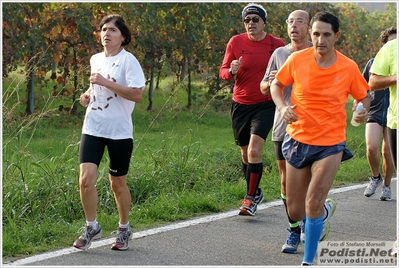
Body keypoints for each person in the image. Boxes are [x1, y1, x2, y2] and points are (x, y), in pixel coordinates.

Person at [270, 11, 370, 265]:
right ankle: (324, 212)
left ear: (336, 36)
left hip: (330, 143)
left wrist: (360, 111)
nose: (320, 40)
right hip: (297, 138)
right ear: (310, 34)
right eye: (316, 34)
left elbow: (364, 96)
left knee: (313, 201)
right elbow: (276, 85)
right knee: (295, 210)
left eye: (326, 34)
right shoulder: (297, 59)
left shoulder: (348, 66)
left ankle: (309, 260)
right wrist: (282, 108)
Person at [73, 14, 146, 251]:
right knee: (85, 180)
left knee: (117, 184)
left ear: (123, 37)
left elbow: (136, 95)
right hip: (93, 127)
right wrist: (87, 95)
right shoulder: (96, 59)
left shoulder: (129, 61)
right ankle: (91, 226)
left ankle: (124, 227)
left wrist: (105, 82)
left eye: (113, 30)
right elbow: (96, 87)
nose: (106, 33)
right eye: (104, 29)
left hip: (119, 132)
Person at [219, 3, 285, 216]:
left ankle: (249, 198)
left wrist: (280, 78)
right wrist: (231, 70)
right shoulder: (235, 42)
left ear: (264, 22)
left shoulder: (277, 44)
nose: (251, 24)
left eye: (255, 20)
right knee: (246, 154)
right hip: (240, 104)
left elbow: (290, 70)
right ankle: (255, 191)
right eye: (247, 20)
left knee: (255, 149)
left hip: (265, 103)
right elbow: (223, 72)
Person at [260, 9, 313, 254]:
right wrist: (270, 82)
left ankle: (312, 218)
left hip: (313, 126)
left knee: (310, 182)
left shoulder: (318, 52)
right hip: (284, 124)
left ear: (309, 26)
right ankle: (294, 229)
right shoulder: (279, 53)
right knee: (286, 181)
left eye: (300, 21)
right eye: (291, 21)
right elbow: (263, 87)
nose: (294, 26)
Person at [362, 26, 396, 201]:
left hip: (392, 112)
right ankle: (376, 177)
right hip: (374, 110)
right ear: (384, 45)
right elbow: (363, 86)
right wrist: (359, 104)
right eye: (391, 42)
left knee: (387, 153)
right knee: (371, 147)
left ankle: (387, 186)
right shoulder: (372, 62)